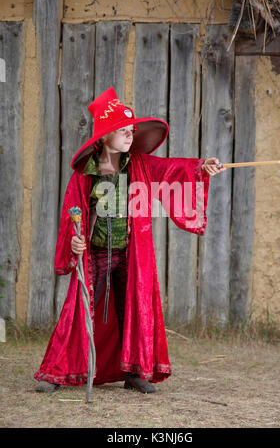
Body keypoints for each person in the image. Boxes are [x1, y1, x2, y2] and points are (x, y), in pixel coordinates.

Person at [34, 87, 226, 394]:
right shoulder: (86, 173)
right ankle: (57, 372)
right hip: (95, 253)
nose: (128, 135)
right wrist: (76, 241)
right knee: (81, 308)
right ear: (104, 137)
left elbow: (172, 168)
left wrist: (202, 166)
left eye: (130, 130)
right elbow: (73, 214)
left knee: (135, 309)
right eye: (121, 131)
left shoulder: (139, 164)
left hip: (131, 253)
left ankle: (135, 372)